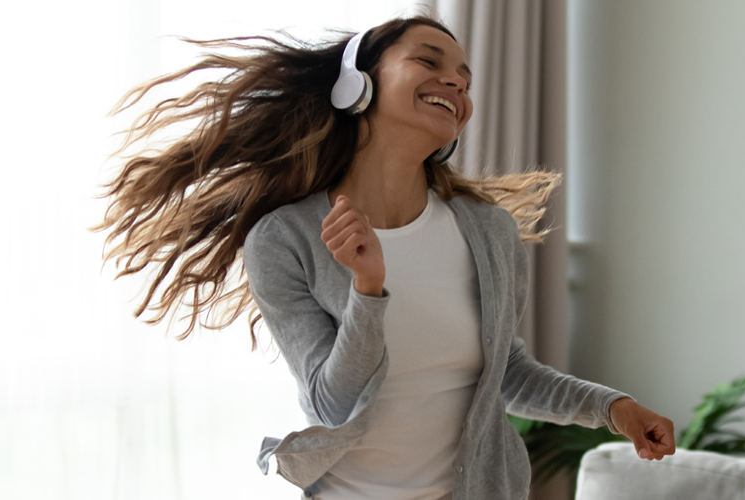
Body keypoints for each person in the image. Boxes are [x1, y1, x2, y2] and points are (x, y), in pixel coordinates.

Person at [94, 14, 676, 500]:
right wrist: (367, 290)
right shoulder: (283, 238)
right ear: (357, 85)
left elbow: (506, 373)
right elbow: (331, 401)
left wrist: (614, 409)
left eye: (464, 79)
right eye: (429, 62)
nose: (455, 84)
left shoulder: (488, 232)